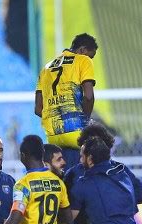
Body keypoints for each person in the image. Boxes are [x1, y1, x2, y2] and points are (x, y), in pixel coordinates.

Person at [35, 33, 98, 169]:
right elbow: (88, 97)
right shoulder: (83, 60)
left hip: (53, 142)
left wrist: (57, 118)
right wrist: (85, 122)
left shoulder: (46, 68)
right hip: (76, 137)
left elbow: (38, 109)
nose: (90, 59)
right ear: (82, 50)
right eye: (90, 55)